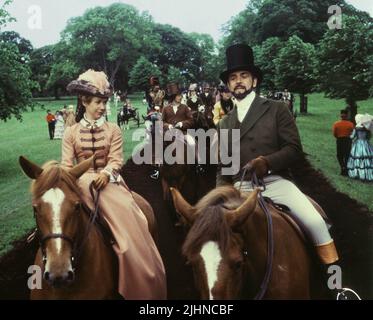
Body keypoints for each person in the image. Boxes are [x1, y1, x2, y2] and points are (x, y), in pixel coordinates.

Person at [217, 44, 357, 298]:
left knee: (316, 222)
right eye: (233, 78)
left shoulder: (276, 109)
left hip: (274, 182)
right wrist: (217, 198)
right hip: (239, 189)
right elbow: (223, 168)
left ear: (254, 80)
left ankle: (337, 287)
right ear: (228, 85)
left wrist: (266, 163)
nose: (238, 82)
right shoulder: (224, 123)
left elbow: (293, 149)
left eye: (243, 76)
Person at [64, 69, 166, 299]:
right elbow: (66, 164)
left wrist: (107, 173)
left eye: (104, 102)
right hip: (79, 185)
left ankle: (138, 278)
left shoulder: (113, 129)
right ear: (84, 100)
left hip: (108, 184)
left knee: (131, 228)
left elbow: (116, 160)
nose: (102, 107)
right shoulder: (70, 133)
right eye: (98, 102)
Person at [347, 113, 373, 181]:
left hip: (358, 143)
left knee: (358, 158)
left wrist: (349, 135)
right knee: (366, 158)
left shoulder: (356, 128)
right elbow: (369, 137)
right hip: (366, 143)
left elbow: (352, 136)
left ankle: (358, 173)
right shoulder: (367, 128)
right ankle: (367, 175)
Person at [332, 109, 354, 176]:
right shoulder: (351, 124)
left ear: (341, 116)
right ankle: (345, 167)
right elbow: (352, 133)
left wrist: (338, 136)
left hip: (340, 140)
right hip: (348, 140)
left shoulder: (336, 124)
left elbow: (334, 133)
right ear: (347, 116)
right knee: (347, 155)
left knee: (339, 155)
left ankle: (342, 166)